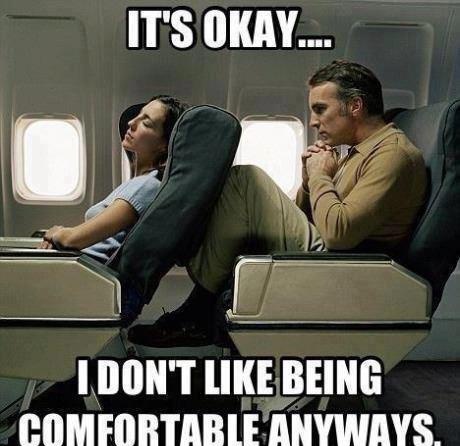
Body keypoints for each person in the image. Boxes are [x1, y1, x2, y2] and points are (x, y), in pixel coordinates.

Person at [129, 60, 427, 347]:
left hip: (350, 268)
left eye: (320, 109)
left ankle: (197, 308)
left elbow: (339, 233)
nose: (313, 121)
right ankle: (198, 302)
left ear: (355, 106)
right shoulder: (353, 151)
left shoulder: (392, 155)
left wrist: (320, 176)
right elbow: (307, 216)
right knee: (244, 204)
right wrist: (309, 182)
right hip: (333, 253)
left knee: (246, 180)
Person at [39, 95, 189, 264]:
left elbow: (72, 239)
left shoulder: (147, 186)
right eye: (138, 115)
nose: (131, 123)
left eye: (146, 123)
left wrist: (57, 233)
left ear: (165, 144)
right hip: (81, 266)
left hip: (89, 272)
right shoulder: (138, 183)